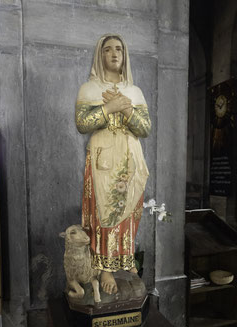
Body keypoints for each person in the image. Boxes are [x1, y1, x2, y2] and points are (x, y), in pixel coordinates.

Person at [75, 34, 151, 295]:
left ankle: (126, 258)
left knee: (129, 209)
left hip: (130, 157)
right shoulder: (89, 88)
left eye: (119, 49)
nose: (114, 54)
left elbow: (145, 128)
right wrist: (109, 108)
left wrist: (127, 109)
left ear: (125, 54)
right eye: (108, 50)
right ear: (100, 55)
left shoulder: (134, 91)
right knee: (104, 211)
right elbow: (82, 124)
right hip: (103, 158)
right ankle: (105, 266)